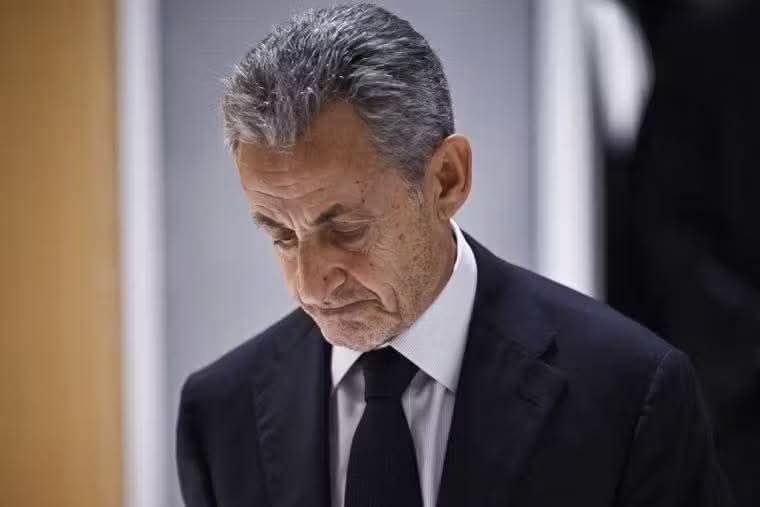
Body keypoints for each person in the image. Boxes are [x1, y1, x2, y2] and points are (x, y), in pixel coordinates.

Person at [175, 4, 733, 506]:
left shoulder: (631, 393)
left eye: (346, 229)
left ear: (447, 179)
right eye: (280, 235)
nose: (311, 286)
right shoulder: (219, 415)